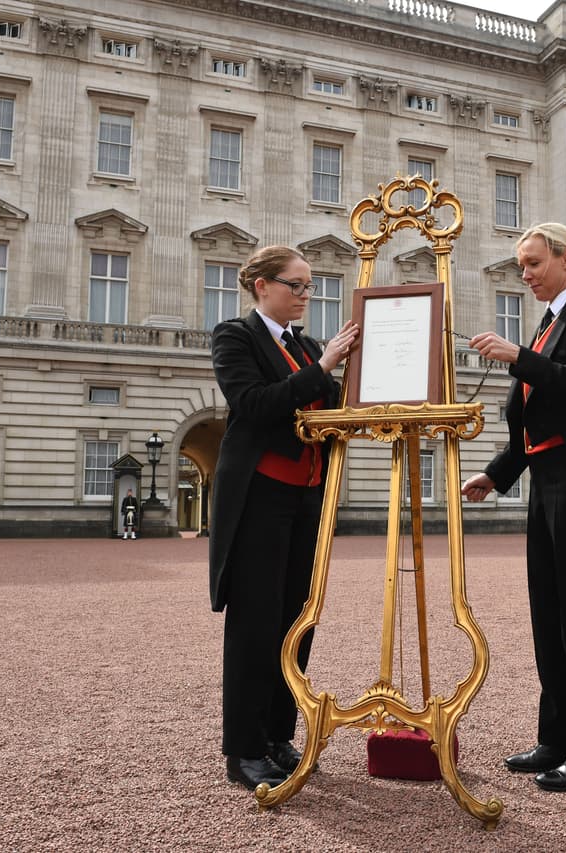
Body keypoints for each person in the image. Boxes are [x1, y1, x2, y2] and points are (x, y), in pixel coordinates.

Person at [461, 223, 566, 792]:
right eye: (521, 265)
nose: (525, 274)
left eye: (532, 263)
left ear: (565, 258)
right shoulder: (547, 324)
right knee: (549, 617)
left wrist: (516, 358)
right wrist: (497, 472)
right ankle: (557, 738)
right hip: (546, 486)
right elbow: (535, 421)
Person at [208, 245, 360, 791]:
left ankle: (277, 734)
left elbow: (337, 411)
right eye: (296, 286)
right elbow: (253, 405)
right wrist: (323, 370)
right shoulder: (235, 337)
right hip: (259, 500)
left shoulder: (309, 346)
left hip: (307, 501)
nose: (305, 296)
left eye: (309, 287)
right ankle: (243, 749)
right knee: (255, 624)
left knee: (299, 619)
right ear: (261, 285)